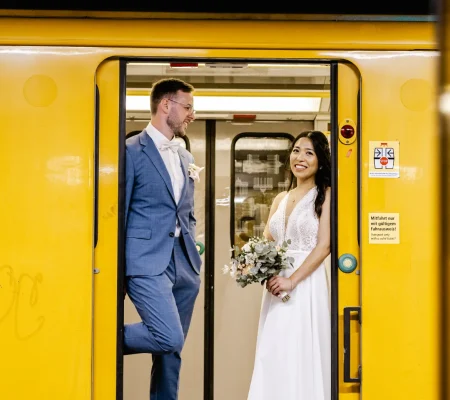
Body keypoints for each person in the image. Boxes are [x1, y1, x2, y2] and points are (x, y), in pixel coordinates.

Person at [124, 78, 202, 400]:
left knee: (173, 351)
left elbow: (187, 211)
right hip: (145, 261)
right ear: (165, 105)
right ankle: (97, 337)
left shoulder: (184, 157)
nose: (192, 115)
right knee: (168, 336)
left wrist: (195, 246)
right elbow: (119, 214)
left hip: (183, 262)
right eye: (188, 107)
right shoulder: (130, 152)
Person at [247, 130, 331, 400]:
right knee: (275, 352)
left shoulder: (326, 194)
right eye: (296, 150)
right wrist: (250, 264)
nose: (300, 157)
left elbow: (324, 246)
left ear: (320, 160)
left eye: (309, 152)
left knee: (300, 350)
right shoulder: (279, 199)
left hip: (306, 284)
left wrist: (292, 280)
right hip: (276, 286)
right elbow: (267, 242)